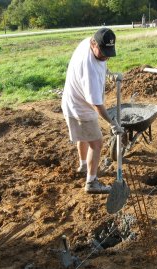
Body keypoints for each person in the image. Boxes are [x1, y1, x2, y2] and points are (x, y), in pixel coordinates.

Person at [61, 28, 124, 194]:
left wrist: (108, 73)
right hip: (81, 108)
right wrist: (113, 123)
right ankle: (91, 182)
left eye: (109, 52)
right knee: (96, 143)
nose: (106, 56)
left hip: (72, 100)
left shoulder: (88, 43)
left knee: (84, 137)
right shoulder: (88, 68)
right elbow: (97, 104)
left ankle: (83, 165)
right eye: (103, 52)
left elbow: (101, 63)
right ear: (93, 43)